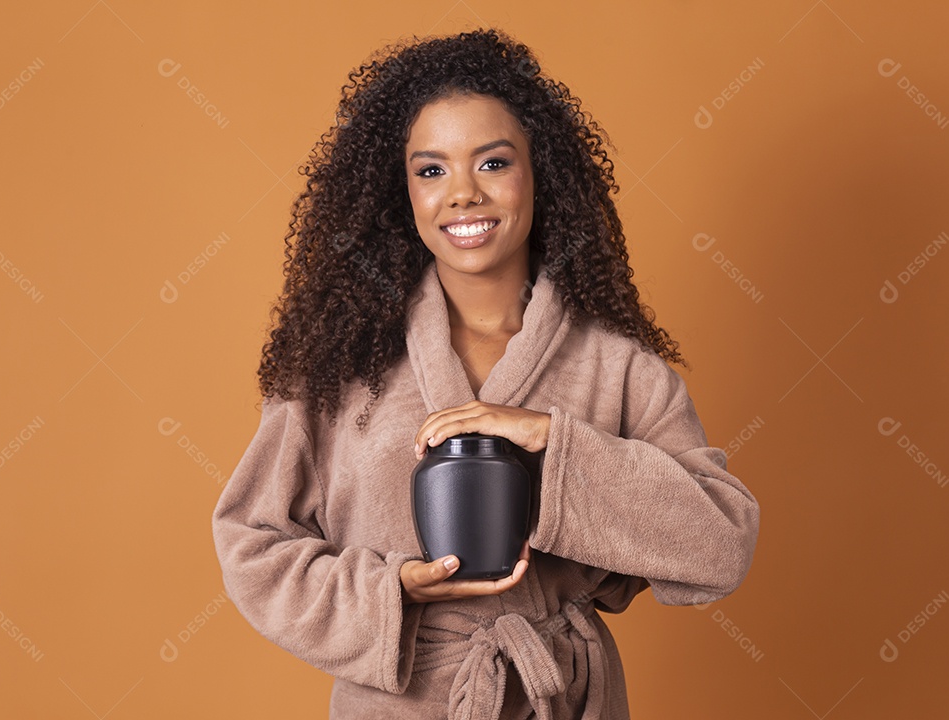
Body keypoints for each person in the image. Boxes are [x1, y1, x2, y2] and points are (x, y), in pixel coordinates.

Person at [212, 27, 760, 720]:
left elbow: (720, 543)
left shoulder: (615, 365)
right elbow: (252, 543)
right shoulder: (338, 363)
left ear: (540, 174)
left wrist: (549, 441)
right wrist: (391, 591)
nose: (463, 194)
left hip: (560, 695)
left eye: (493, 163)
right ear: (401, 191)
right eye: (432, 170)